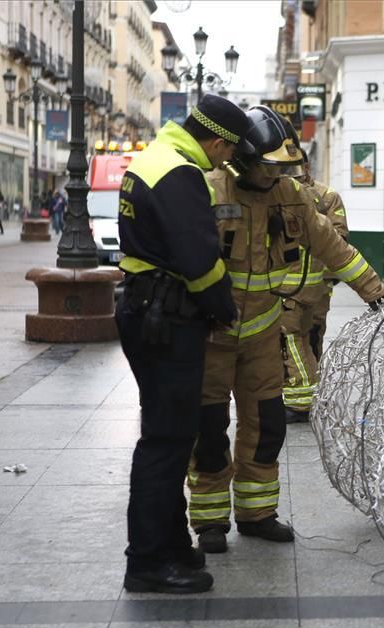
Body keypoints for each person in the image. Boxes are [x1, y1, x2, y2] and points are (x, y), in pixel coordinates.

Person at [188, 106, 384, 554]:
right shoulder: (207, 190)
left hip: (263, 333)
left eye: (282, 168)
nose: (275, 176)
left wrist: (375, 292)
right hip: (211, 337)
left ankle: (257, 513)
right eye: (268, 167)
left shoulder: (290, 195)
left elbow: (331, 244)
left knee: (265, 428)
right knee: (208, 430)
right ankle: (209, 521)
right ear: (242, 159)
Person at [115, 94, 241, 595]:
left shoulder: (153, 157)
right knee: (166, 442)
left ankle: (169, 545)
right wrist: (224, 307)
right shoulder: (182, 173)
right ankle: (146, 562)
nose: (226, 160)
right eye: (227, 151)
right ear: (214, 139)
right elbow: (200, 258)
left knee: (165, 434)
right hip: (167, 319)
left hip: (145, 311)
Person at [281, 149, 349, 423]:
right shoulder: (279, 193)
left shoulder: (326, 196)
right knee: (299, 339)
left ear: (307, 165)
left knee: (305, 338)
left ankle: (303, 398)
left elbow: (339, 239)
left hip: (314, 285)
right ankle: (303, 393)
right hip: (290, 285)